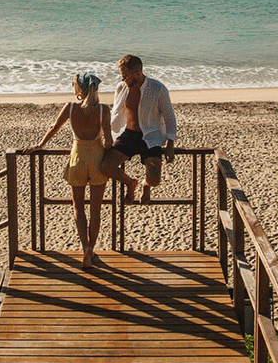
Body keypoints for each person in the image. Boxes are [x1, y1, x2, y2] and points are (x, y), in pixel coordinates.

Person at [36, 72, 112, 268]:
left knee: (78, 207)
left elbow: (54, 128)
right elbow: (109, 141)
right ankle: (91, 249)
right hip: (97, 158)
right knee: (96, 209)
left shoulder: (70, 108)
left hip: (77, 158)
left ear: (80, 89)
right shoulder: (103, 109)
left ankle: (85, 246)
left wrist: (41, 144)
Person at [100, 54, 177, 204]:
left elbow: (169, 117)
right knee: (105, 167)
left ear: (137, 73)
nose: (123, 79)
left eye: (125, 76)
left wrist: (170, 144)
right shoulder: (121, 87)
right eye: (122, 76)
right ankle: (131, 183)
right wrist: (107, 135)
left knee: (154, 180)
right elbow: (114, 113)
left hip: (151, 136)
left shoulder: (158, 89)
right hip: (128, 134)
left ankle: (145, 185)